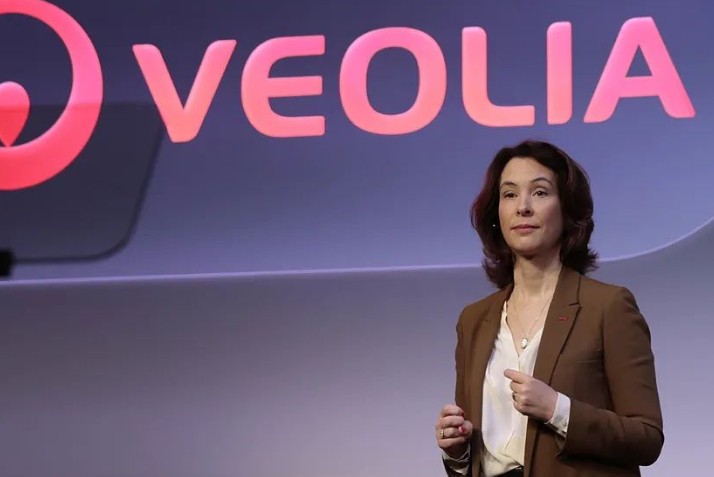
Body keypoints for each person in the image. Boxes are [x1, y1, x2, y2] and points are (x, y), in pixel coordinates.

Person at [434, 140, 663, 477]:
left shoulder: (608, 306)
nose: (522, 207)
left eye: (540, 192)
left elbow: (647, 437)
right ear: (496, 214)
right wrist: (457, 451)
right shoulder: (473, 319)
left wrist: (559, 410)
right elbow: (476, 457)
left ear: (567, 211)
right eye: (509, 194)